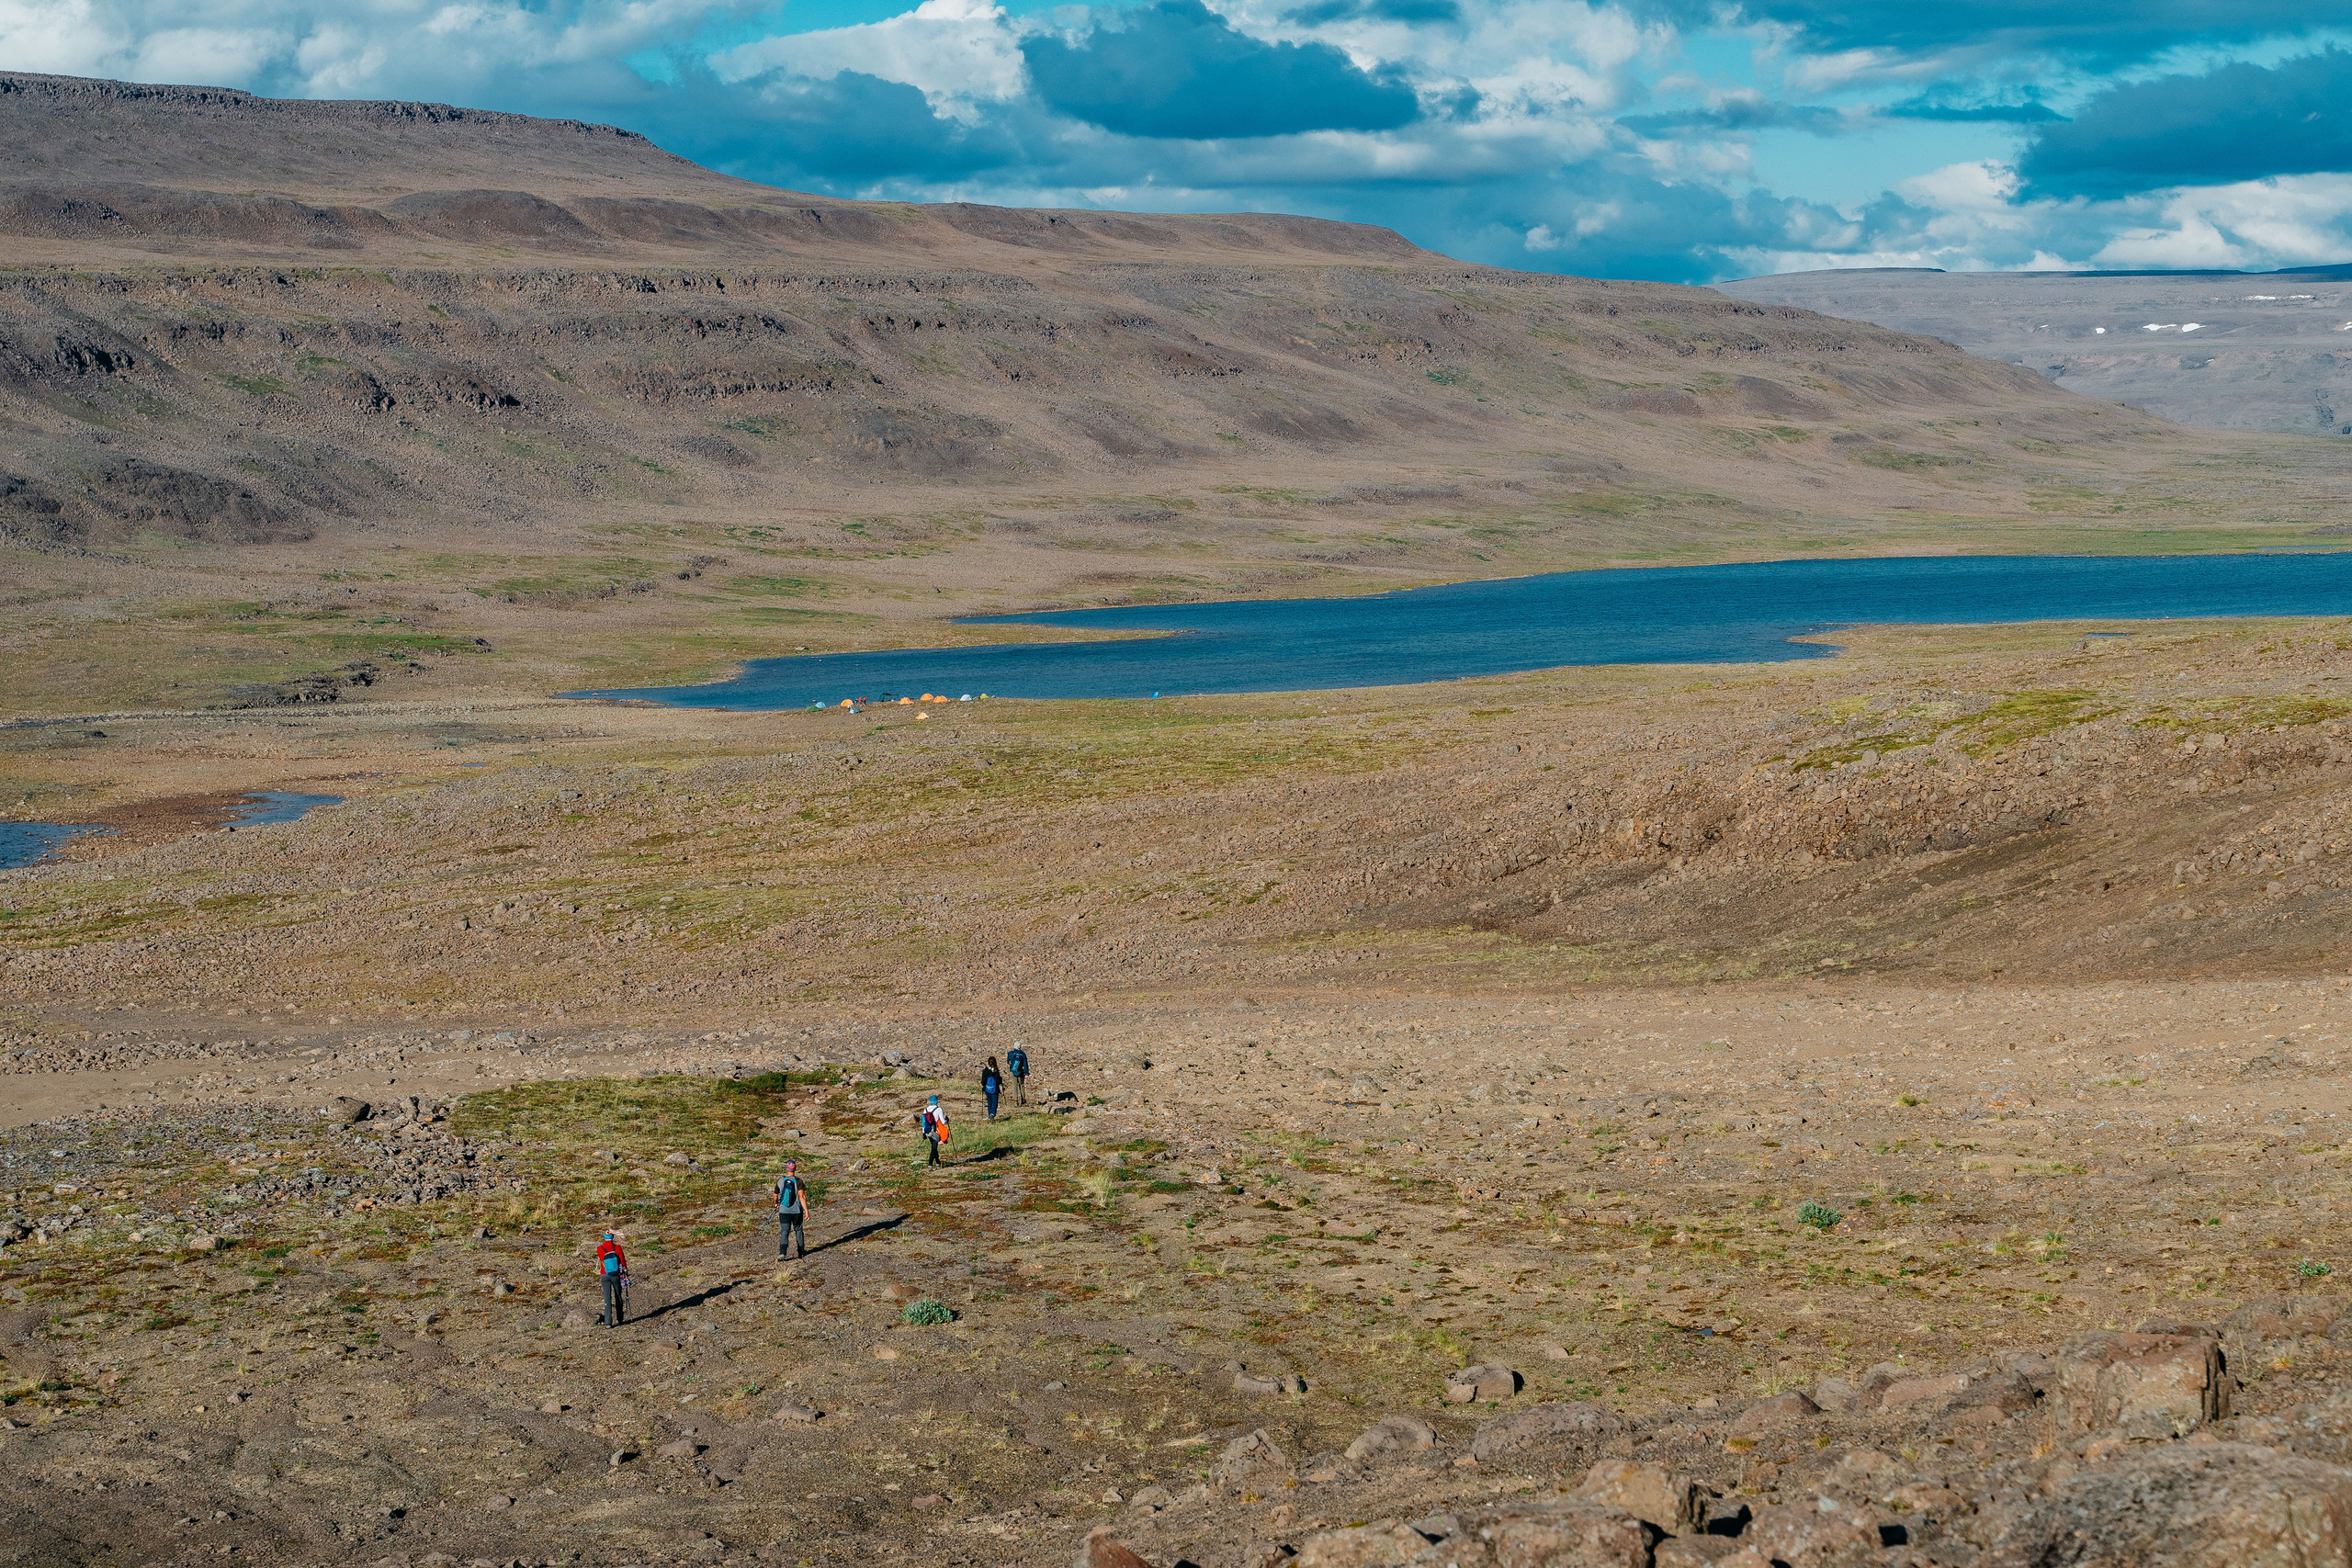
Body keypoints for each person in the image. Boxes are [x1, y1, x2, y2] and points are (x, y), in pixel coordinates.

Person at [775, 1159, 809, 1260]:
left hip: (784, 1211)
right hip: (796, 1211)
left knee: (785, 1231)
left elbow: (775, 1194)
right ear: (795, 1169)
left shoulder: (780, 1180)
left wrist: (776, 1203)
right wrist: (806, 1210)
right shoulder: (798, 1181)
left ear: (786, 1168)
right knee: (798, 1230)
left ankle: (782, 1252)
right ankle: (801, 1252)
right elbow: (802, 1196)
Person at [594, 1230, 629, 1327]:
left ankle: (608, 1322)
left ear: (604, 1237)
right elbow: (622, 1262)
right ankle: (620, 1319)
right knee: (618, 1296)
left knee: (607, 1298)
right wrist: (626, 1273)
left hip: (604, 1275)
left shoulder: (600, 1249)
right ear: (612, 1238)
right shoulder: (617, 1248)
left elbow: (602, 1259)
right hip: (616, 1275)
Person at [917, 1094, 950, 1167]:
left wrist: (923, 1133)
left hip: (927, 1131)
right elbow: (943, 1122)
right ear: (936, 1101)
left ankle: (938, 1162)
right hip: (935, 1131)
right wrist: (947, 1120)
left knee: (934, 1146)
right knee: (934, 1148)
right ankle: (930, 1163)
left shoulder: (925, 1109)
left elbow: (924, 1123)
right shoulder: (939, 1109)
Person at [1007, 1043, 1030, 1107]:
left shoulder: (1010, 1053)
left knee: (1014, 1086)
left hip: (1012, 1072)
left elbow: (1008, 1062)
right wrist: (1026, 1073)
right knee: (1021, 1085)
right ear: (1020, 1047)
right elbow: (1025, 1064)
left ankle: (1015, 1101)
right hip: (1020, 1072)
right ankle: (1023, 1099)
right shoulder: (1022, 1054)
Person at [981, 1056, 1002, 1122]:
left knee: (989, 1102)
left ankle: (989, 1114)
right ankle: (992, 1114)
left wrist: (983, 1085)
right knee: (995, 1102)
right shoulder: (996, 1071)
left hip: (987, 1089)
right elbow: (998, 1081)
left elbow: (983, 1081)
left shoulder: (985, 1071)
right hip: (995, 1089)